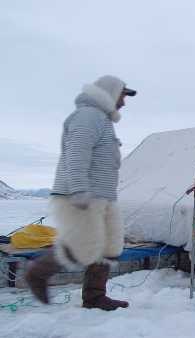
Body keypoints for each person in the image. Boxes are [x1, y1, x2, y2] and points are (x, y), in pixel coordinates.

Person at [25, 75, 136, 311]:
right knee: (82, 246)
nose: (124, 103)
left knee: (109, 245)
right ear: (111, 93)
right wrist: (79, 189)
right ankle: (37, 273)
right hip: (81, 195)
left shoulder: (103, 121)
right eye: (122, 96)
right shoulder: (88, 116)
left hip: (103, 196)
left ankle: (95, 297)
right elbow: (77, 152)